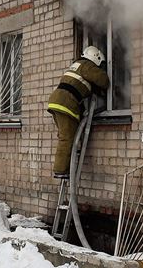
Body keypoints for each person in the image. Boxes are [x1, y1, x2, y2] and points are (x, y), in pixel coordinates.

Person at [47, 46, 110, 179]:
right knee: (67, 137)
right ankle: (61, 170)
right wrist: (103, 72)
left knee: (65, 135)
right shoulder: (87, 65)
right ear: (96, 58)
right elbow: (103, 81)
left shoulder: (76, 65)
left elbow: (76, 88)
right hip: (66, 103)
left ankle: (64, 165)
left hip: (57, 101)